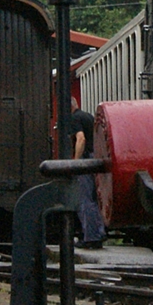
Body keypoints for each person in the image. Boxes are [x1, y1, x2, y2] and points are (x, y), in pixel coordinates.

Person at [67, 97, 106, 249]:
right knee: (94, 199)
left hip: (85, 159)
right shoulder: (88, 116)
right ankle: (99, 232)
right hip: (94, 159)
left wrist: (76, 163)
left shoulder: (74, 118)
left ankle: (90, 237)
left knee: (84, 199)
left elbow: (81, 139)